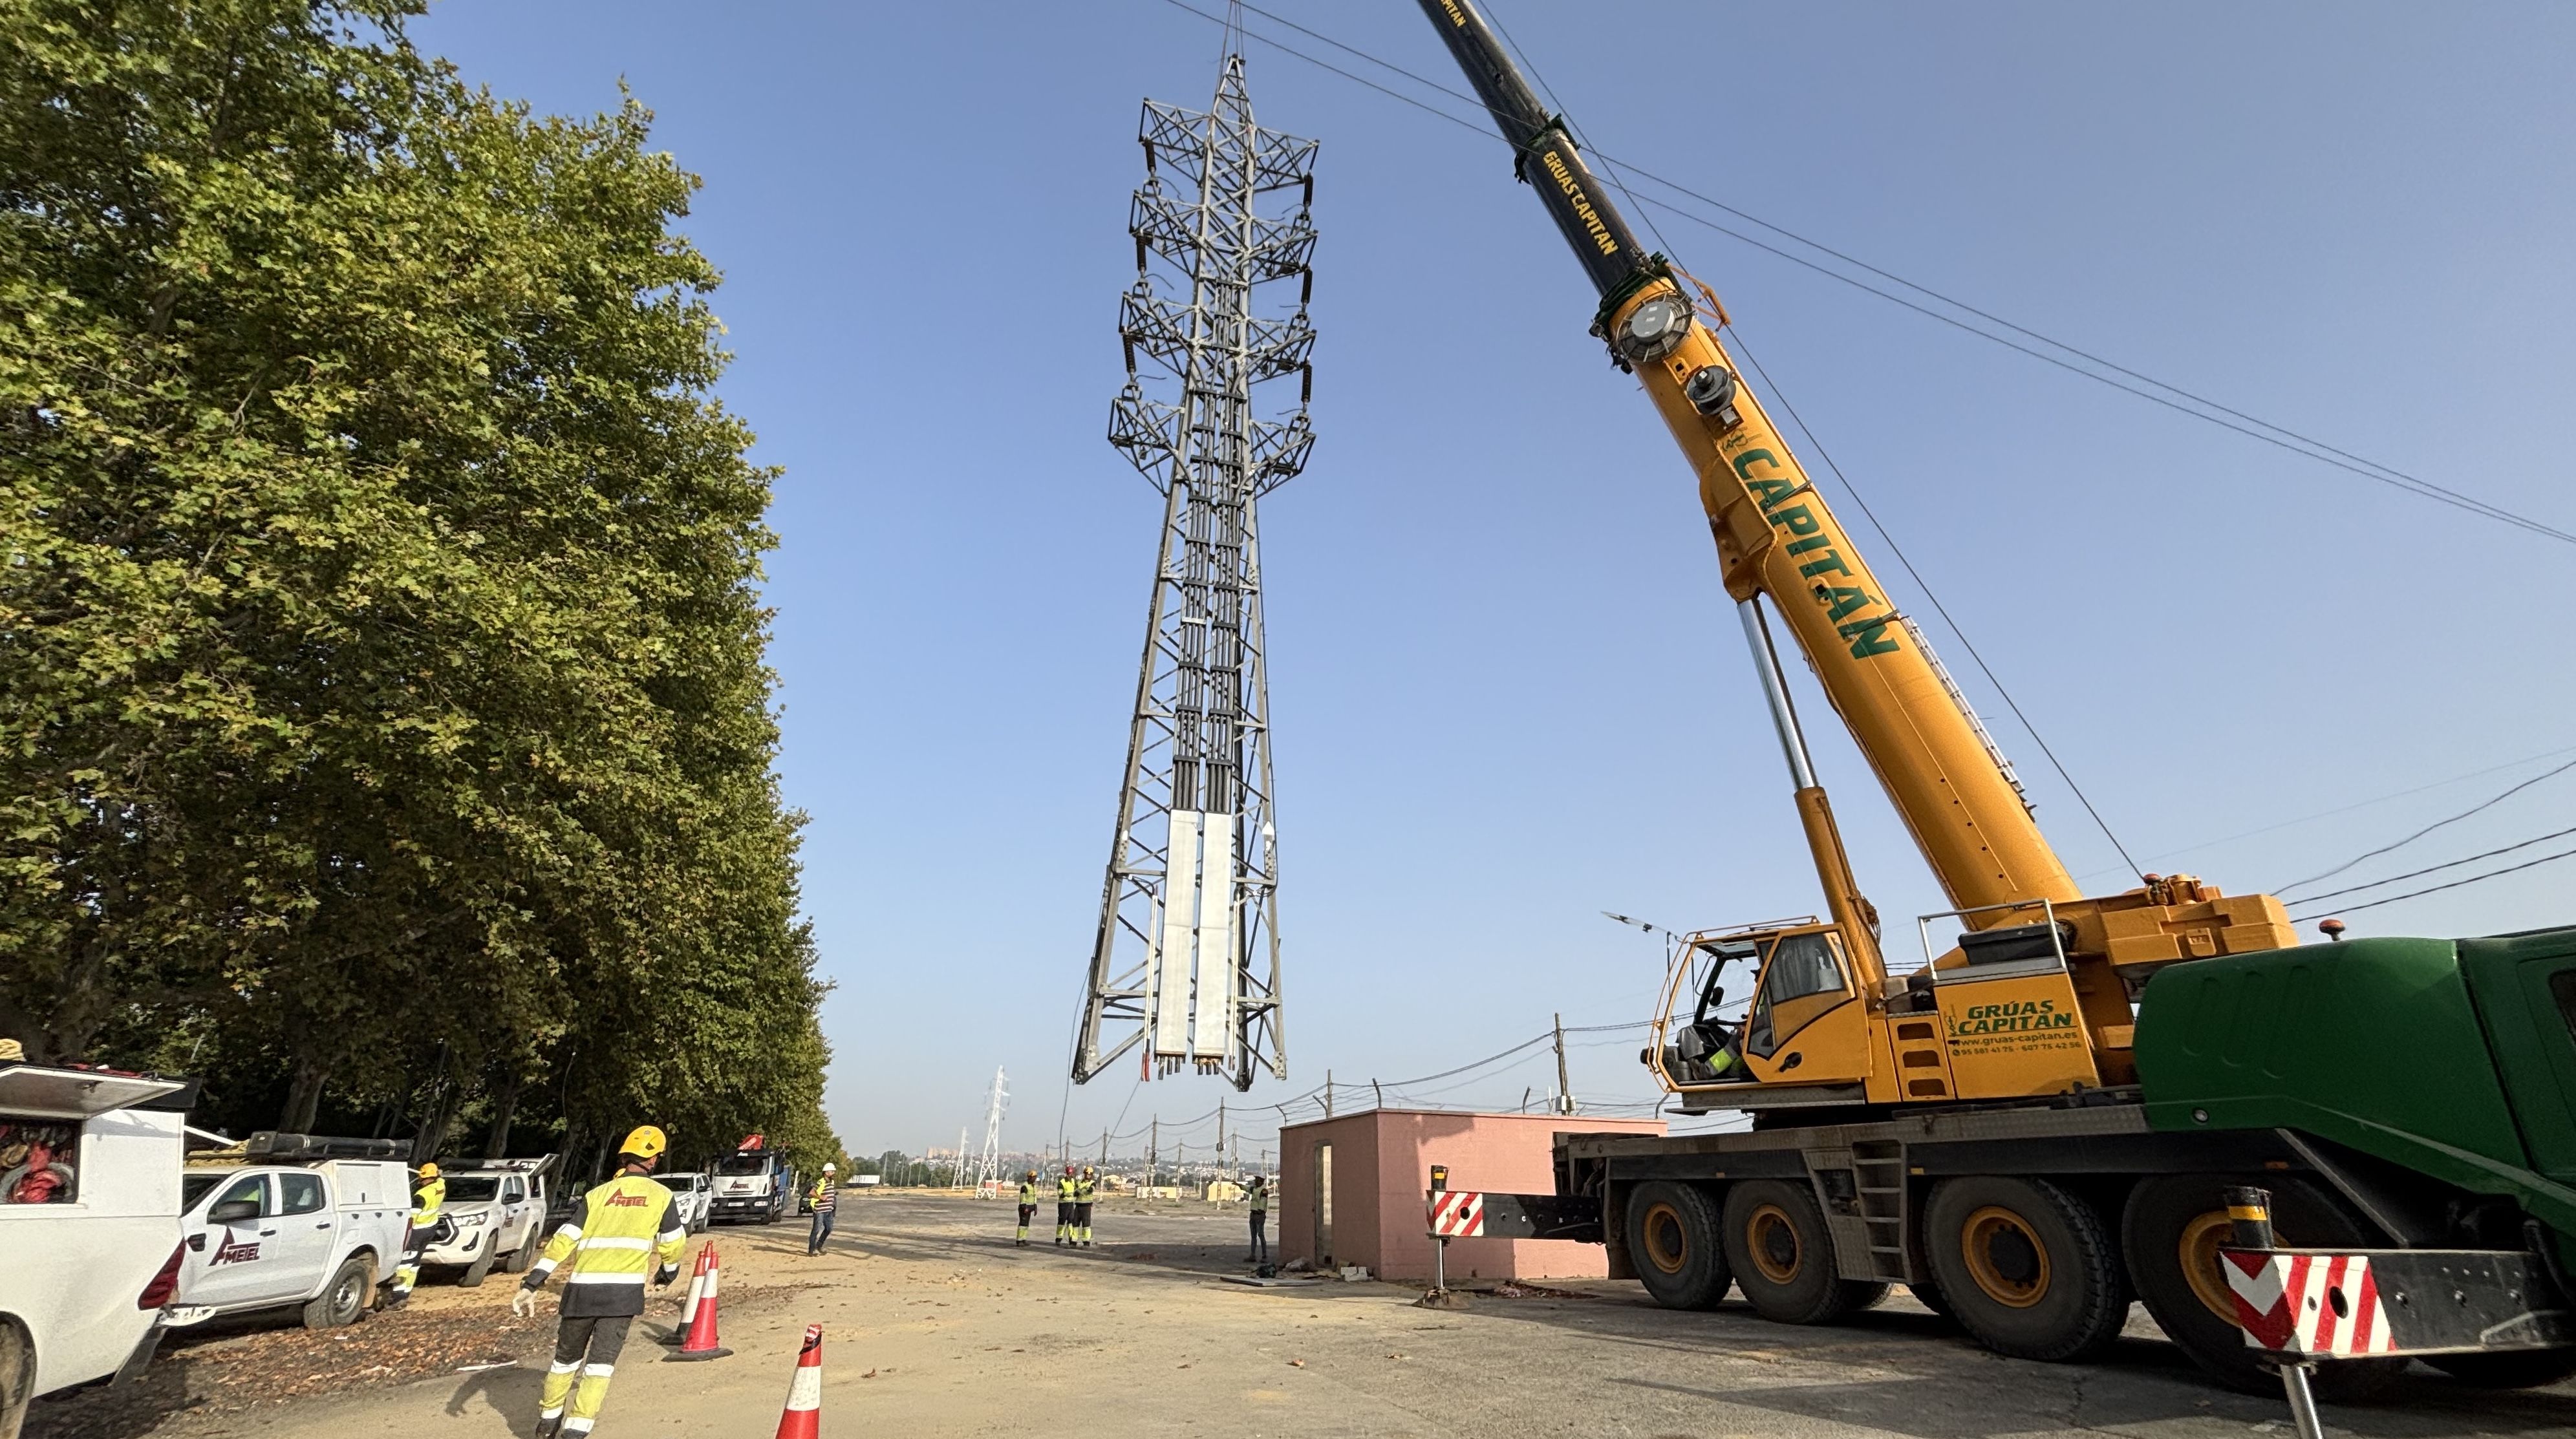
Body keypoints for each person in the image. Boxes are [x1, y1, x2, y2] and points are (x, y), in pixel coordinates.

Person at [511, 1126, 686, 1439]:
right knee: (599, 1367)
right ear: (654, 1160)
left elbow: (563, 1240)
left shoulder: (597, 1195)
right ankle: (576, 1432)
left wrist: (533, 1282)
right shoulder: (662, 1196)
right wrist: (667, 1273)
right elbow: (673, 1242)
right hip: (621, 1297)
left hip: (581, 1293)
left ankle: (547, 1423)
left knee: (565, 1361)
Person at [386, 1161, 447, 1307]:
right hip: (430, 1230)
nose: (420, 1180)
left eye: (421, 1177)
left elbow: (411, 1219)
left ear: (425, 1178)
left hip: (417, 1231)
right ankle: (406, 1293)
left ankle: (398, 1298)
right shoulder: (441, 1186)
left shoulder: (422, 1194)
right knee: (414, 1264)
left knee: (405, 1264)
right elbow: (441, 1178)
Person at [806, 1163, 839, 1255]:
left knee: (829, 1229)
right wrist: (820, 1197)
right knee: (816, 1230)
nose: (833, 1173)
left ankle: (819, 1246)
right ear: (826, 1172)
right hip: (820, 1210)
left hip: (828, 1210)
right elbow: (811, 1193)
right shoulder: (821, 1182)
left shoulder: (831, 1182)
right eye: (832, 1171)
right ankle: (811, 1250)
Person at [1246, 1173, 1270, 1266]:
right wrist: (1239, 1185)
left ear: (1261, 1181)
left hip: (1259, 1215)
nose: (1255, 1181)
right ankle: (1253, 1255)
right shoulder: (1255, 1189)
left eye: (1257, 1180)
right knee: (1253, 1236)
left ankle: (1264, 1256)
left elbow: (1263, 1202)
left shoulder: (1264, 1190)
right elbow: (1247, 1188)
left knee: (1260, 1234)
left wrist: (1259, 1213)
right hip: (1253, 1214)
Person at [1074, 1165, 1099, 1248]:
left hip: (1086, 1206)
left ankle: (1086, 1243)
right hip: (1078, 1206)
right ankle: (1073, 1242)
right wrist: (1077, 1192)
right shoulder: (1079, 1183)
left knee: (1086, 1225)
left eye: (1090, 1174)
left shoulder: (1092, 1183)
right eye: (1087, 1174)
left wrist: (1084, 1191)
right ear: (1084, 1174)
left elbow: (1091, 1190)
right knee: (1075, 1225)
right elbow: (1075, 1193)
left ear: (1092, 1175)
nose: (1088, 1175)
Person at [1014, 1170, 1038, 1247]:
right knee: (1023, 1224)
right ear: (1030, 1177)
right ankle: (1019, 1240)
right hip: (1024, 1208)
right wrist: (1025, 1207)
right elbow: (1023, 1198)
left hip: (1030, 1207)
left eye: (1035, 1177)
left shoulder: (1033, 1186)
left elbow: (1034, 1197)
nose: (1034, 1179)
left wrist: (1035, 1207)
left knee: (1026, 1225)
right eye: (1033, 1177)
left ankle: (1024, 1239)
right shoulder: (1025, 1186)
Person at [1055, 1165, 1076, 1246]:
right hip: (1063, 1205)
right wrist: (1068, 1194)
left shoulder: (1073, 1181)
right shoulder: (1062, 1183)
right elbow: (1060, 1194)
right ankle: (1058, 1239)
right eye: (1069, 1174)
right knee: (1062, 1222)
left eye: (1071, 1174)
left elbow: (1077, 1189)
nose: (1070, 1175)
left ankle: (1071, 1238)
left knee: (1071, 1221)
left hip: (1070, 1204)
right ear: (1066, 1174)